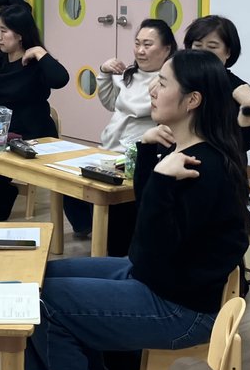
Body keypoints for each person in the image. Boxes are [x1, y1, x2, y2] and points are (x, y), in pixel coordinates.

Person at [24, 49, 250, 370]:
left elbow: (151, 245)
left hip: (180, 306)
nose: (152, 89)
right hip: (155, 278)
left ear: (192, 100)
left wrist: (161, 178)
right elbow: (148, 222)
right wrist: (148, 153)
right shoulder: (183, 152)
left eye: (162, 83)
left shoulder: (202, 168)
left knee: (40, 302)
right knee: (37, 278)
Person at [63, 18, 177, 246]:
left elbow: (137, 107)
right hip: (109, 148)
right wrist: (105, 74)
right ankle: (90, 227)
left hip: (133, 155)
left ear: (166, 49)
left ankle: (106, 235)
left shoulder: (168, 83)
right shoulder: (129, 75)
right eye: (137, 43)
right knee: (68, 179)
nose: (140, 50)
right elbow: (111, 104)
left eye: (148, 45)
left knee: (107, 202)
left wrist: (123, 85)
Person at [0, 3, 69, 220]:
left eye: (4, 31)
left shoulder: (35, 63)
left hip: (32, 135)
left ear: (20, 35)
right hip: (0, 136)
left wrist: (39, 52)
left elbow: (61, 79)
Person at [184, 15, 250, 152]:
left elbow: (247, 142)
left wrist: (248, 106)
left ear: (228, 52)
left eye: (212, 47)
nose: (203, 52)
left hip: (222, 159)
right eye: (197, 45)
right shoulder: (180, 80)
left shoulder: (239, 90)